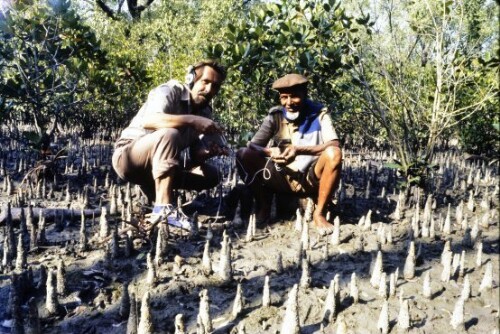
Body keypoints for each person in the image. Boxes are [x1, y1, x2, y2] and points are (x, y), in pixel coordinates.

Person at [112, 60, 228, 229]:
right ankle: (163, 209)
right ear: (191, 78)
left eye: (215, 86)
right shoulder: (169, 91)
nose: (209, 90)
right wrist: (192, 120)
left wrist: (207, 152)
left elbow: (194, 156)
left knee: (212, 175)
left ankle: (155, 189)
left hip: (161, 163)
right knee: (169, 132)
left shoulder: (205, 111)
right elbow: (150, 120)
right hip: (129, 159)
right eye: (205, 82)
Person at [236, 73, 342, 234]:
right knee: (243, 154)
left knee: (334, 154)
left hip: (311, 176)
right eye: (284, 97)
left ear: (305, 94)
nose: (289, 102)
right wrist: (269, 151)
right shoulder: (275, 116)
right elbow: (253, 146)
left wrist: (298, 150)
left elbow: (334, 144)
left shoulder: (320, 113)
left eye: (294, 97)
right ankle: (264, 206)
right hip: (283, 176)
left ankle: (319, 213)